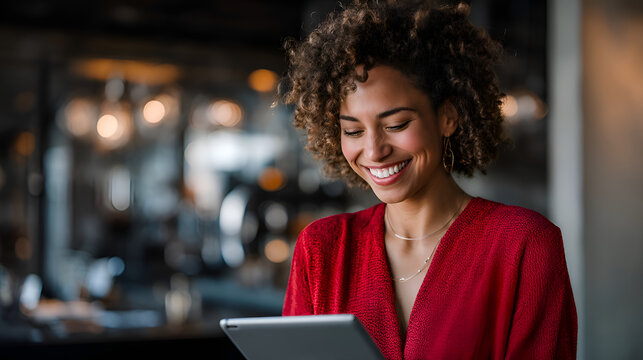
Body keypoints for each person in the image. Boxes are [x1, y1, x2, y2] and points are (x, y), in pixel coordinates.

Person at [278, 1, 577, 359]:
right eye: (353, 130)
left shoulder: (524, 244)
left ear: (448, 117)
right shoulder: (322, 249)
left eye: (397, 125)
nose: (374, 151)